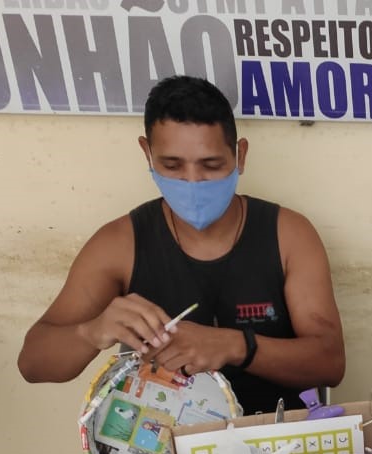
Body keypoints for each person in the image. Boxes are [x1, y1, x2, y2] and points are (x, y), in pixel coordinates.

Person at [18, 75, 345, 416]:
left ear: (240, 155)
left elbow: (330, 363)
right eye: (172, 165)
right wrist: (92, 332)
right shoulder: (118, 246)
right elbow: (33, 364)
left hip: (280, 446)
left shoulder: (288, 235)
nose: (192, 181)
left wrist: (237, 345)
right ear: (147, 153)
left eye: (211, 164)